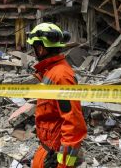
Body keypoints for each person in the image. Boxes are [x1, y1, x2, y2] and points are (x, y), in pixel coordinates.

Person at [26, 23, 88, 168]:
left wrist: (64, 165)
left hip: (57, 156)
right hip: (48, 149)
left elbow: (74, 125)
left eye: (34, 48)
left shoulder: (60, 76)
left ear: (40, 49)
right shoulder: (51, 71)